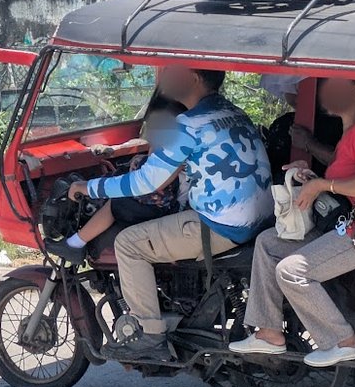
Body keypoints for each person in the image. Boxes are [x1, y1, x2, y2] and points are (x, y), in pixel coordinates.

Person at [68, 66, 274, 363]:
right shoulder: (231, 112)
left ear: (191, 78)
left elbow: (147, 181)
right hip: (256, 217)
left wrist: (88, 187)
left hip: (221, 224)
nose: (162, 75)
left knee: (128, 243)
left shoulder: (190, 124)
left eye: (169, 70)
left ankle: (150, 334)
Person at [230, 77, 355, 368]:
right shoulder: (354, 130)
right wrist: (312, 178)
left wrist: (324, 185)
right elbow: (345, 173)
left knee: (291, 271)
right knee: (268, 243)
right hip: (354, 223)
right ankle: (269, 331)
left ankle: (342, 340)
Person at [47, 95, 186, 265]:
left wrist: (91, 187)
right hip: (166, 202)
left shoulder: (176, 149)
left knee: (117, 204)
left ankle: (74, 244)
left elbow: (152, 183)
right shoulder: (169, 144)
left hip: (168, 207)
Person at [260, 74, 343, 175]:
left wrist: (309, 144)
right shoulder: (283, 123)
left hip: (328, 187)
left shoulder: (344, 123)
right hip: (284, 188)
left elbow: (348, 163)